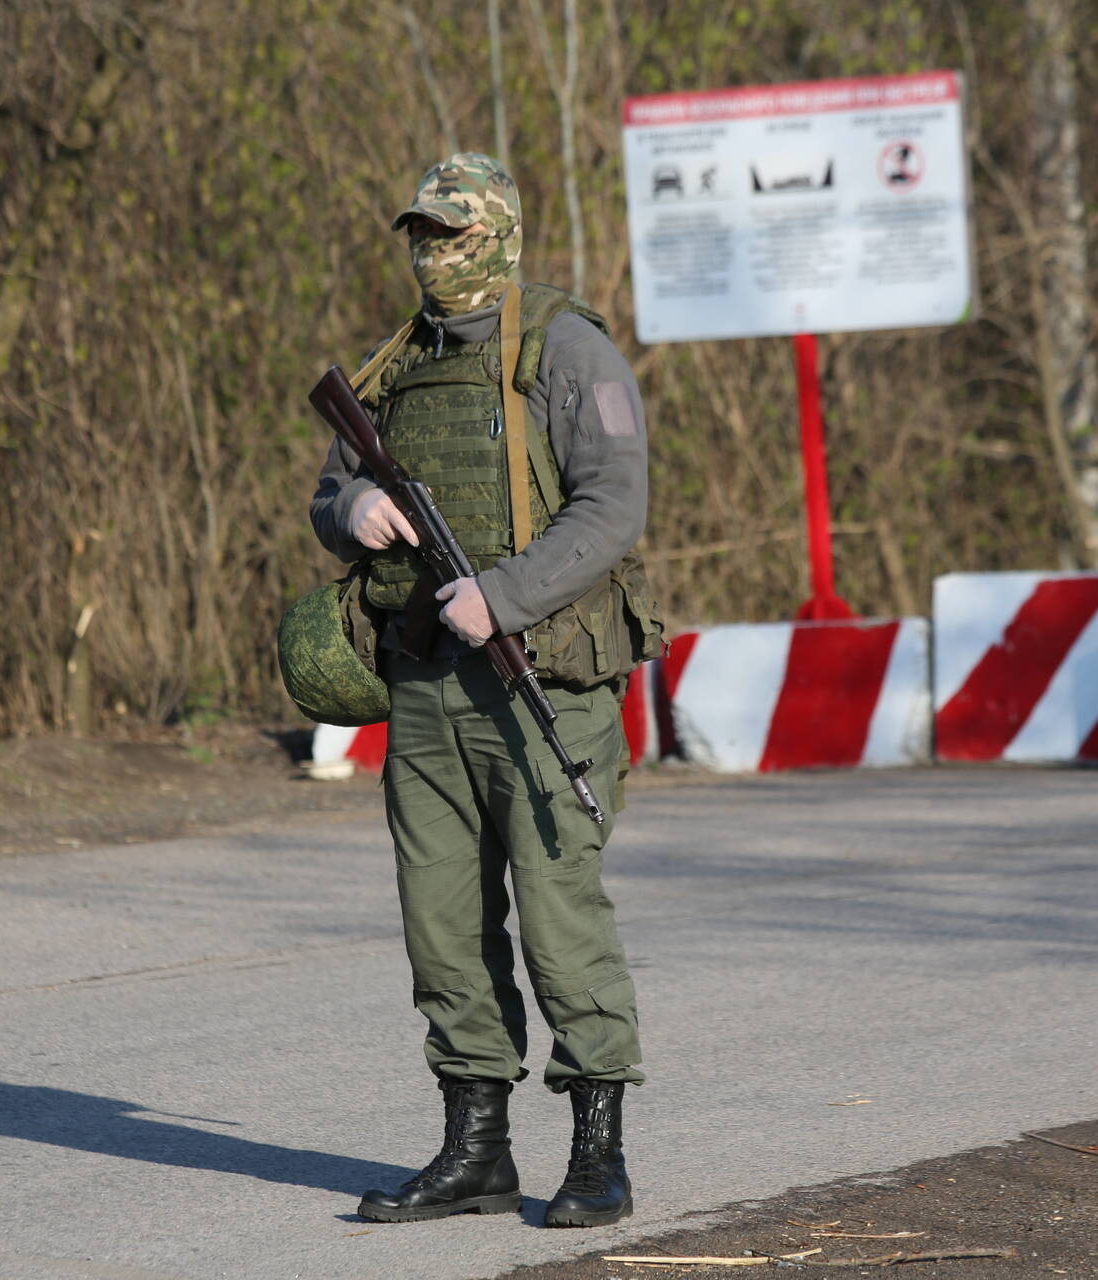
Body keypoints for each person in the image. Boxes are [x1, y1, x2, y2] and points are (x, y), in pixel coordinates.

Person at [308, 153, 658, 1228]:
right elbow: (326, 490)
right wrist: (353, 507)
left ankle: (597, 1152)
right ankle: (476, 1148)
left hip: (540, 678)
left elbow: (612, 506)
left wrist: (501, 596)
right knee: (442, 926)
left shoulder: (568, 346)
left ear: (499, 235)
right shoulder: (398, 359)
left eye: (453, 232)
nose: (433, 252)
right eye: (421, 231)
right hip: (423, 687)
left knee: (560, 923)